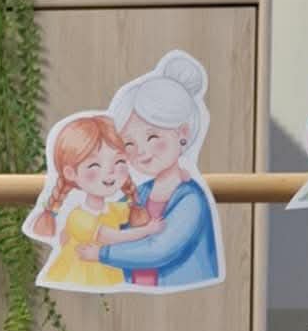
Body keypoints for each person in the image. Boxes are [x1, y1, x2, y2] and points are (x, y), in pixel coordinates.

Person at [77, 52, 223, 291]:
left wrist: (103, 254)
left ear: (182, 134)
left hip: (183, 297)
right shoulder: (141, 193)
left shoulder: (191, 199)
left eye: (153, 137)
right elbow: (113, 223)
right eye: (129, 144)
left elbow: (160, 249)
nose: (142, 153)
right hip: (135, 293)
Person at [27, 113, 158, 290]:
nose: (110, 171)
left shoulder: (112, 209)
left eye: (118, 161)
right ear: (71, 173)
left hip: (106, 275)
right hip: (81, 278)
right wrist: (148, 230)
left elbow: (135, 207)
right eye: (94, 165)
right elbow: (114, 237)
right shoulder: (78, 218)